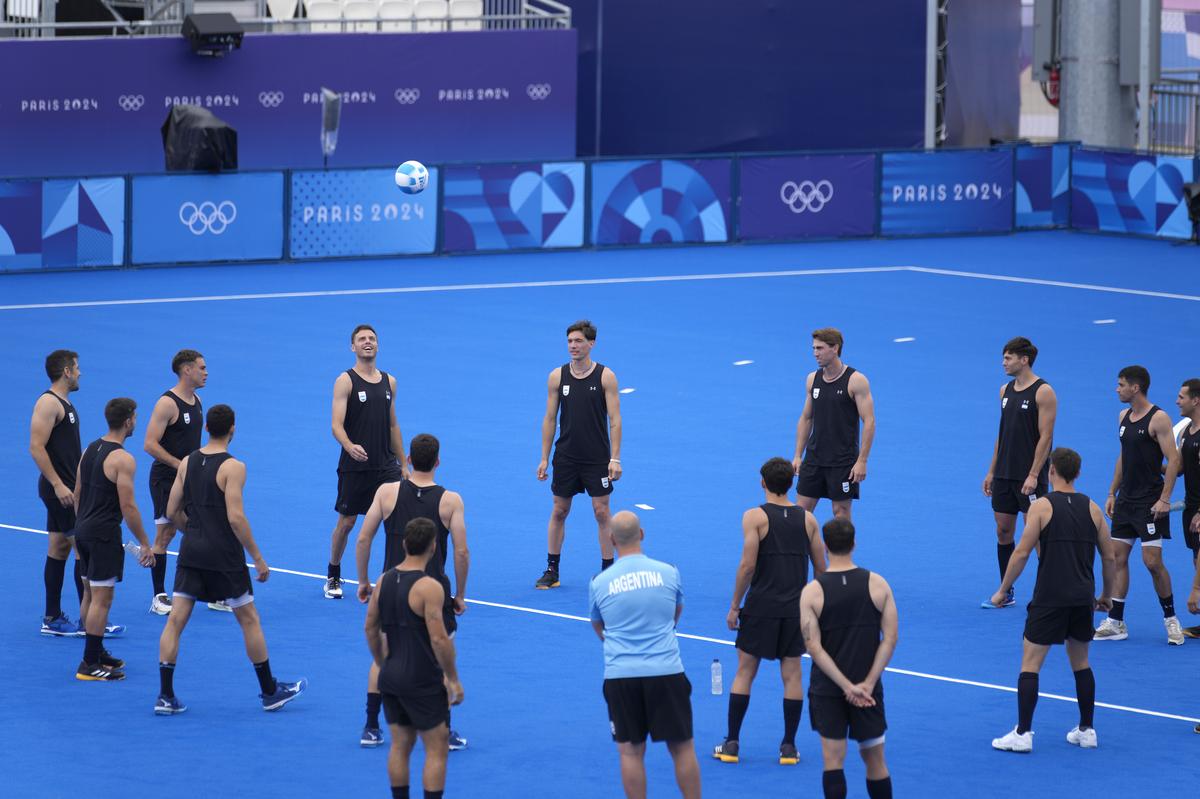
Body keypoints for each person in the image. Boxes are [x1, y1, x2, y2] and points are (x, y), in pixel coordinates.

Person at [155, 404, 307, 714]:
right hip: (224, 556)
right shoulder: (234, 467)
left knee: (176, 621)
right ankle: (268, 691)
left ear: (207, 428)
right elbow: (236, 518)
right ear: (233, 429)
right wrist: (258, 558)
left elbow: (171, 511)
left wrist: (193, 531)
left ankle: (165, 695)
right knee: (249, 619)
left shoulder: (186, 462)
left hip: (191, 552)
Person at [990, 447, 1116, 753]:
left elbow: (1021, 553)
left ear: (1051, 471)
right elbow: (1109, 556)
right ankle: (1087, 729)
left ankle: (1023, 733)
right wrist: (1105, 596)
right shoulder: (1093, 509)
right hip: (1082, 596)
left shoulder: (1042, 507)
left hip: (1049, 597)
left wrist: (1003, 588)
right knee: (1081, 663)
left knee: (1030, 664)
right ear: (1077, 474)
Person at [356, 434, 469, 750]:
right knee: (438, 655)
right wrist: (459, 594)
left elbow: (364, 539)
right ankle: (442, 729)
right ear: (437, 462)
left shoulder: (387, 492)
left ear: (407, 459)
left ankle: (370, 725)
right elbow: (461, 552)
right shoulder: (451, 501)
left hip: (391, 586)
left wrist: (365, 581)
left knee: (385, 654)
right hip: (432, 591)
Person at [714, 457, 826, 766]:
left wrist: (735, 605)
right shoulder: (808, 520)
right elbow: (821, 569)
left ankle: (732, 743)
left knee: (745, 673)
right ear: (790, 484)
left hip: (761, 608)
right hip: (794, 611)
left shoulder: (754, 517)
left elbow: (748, 565)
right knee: (792, 676)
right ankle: (788, 747)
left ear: (763, 483)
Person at [588, 511, 701, 799]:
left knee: (630, 752)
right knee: (682, 747)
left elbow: (600, 627)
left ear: (611, 540)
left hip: (622, 676)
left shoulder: (600, 582)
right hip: (667, 671)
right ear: (642, 534)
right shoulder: (669, 572)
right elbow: (675, 615)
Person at [364, 517, 464, 799]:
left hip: (391, 677)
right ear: (433, 548)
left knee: (400, 745)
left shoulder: (383, 581)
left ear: (404, 544)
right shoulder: (429, 587)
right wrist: (453, 680)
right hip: (422, 680)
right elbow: (439, 639)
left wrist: (383, 662)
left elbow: (370, 627)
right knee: (436, 748)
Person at [799, 518, 897, 799]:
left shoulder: (812, 592)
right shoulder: (878, 585)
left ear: (825, 547)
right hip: (869, 691)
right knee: (875, 761)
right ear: (854, 544)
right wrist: (866, 683)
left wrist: (845, 686)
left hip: (828, 690)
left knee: (833, 761)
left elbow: (814, 648)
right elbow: (889, 639)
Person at [1093, 366, 1184, 645]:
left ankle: (1171, 620)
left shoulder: (1159, 419)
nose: (1117, 389)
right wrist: (1111, 492)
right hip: (1125, 502)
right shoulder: (1123, 417)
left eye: (1121, 385)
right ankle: (1116, 622)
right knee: (1117, 558)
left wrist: (1165, 498)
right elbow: (1124, 457)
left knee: (1152, 563)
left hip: (1149, 502)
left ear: (1136, 388)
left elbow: (1174, 460)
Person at [535, 320, 623, 588]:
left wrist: (615, 458)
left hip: (597, 457)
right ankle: (552, 569)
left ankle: (608, 570)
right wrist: (543, 457)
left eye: (578, 341)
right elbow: (550, 419)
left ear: (591, 344)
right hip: (566, 457)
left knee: (601, 512)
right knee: (559, 511)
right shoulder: (556, 377)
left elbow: (615, 420)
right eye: (570, 341)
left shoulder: (606, 376)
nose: (573, 346)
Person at [73, 398, 155, 681]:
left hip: (82, 530)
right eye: (136, 417)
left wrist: (81, 524)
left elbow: (77, 492)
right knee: (102, 599)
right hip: (103, 535)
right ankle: (88, 664)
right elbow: (128, 507)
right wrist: (145, 542)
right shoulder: (123, 459)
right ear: (129, 420)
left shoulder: (89, 449)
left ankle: (95, 652)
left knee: (89, 593)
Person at [326, 324, 406, 599]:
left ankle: (394, 577)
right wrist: (349, 446)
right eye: (362, 339)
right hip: (355, 465)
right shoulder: (345, 381)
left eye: (372, 338)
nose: (367, 342)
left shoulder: (389, 382)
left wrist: (403, 465)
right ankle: (333, 573)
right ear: (353, 347)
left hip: (386, 465)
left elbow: (393, 425)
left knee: (397, 520)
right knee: (347, 523)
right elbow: (336, 424)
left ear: (378, 345)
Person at [981, 337, 1057, 609]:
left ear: (1024, 360)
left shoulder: (1043, 391)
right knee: (1003, 531)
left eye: (1008, 358)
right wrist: (991, 471)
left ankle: (1047, 592)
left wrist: (1034, 474)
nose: (1003, 363)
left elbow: (1046, 437)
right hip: (1003, 474)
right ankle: (1007, 591)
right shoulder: (1004, 390)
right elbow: (1002, 435)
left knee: (1036, 535)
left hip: (1029, 477)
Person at [143, 349, 207, 615]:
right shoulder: (167, 404)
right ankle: (159, 596)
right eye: (201, 368)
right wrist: (178, 464)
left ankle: (209, 591)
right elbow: (149, 444)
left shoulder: (198, 400)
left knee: (201, 530)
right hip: (165, 479)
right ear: (187, 370)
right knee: (166, 533)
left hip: (188, 479)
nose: (206, 372)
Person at [792, 328, 875, 522]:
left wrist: (862, 460)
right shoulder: (812, 379)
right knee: (800, 514)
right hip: (814, 458)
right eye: (813, 348)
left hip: (843, 462)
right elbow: (806, 418)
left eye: (820, 348)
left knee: (841, 514)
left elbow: (869, 421)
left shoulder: (856, 381)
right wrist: (797, 455)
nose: (815, 353)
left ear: (835, 348)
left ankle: (841, 553)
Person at [30, 350, 84, 635]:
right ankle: (91, 619)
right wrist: (58, 484)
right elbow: (36, 447)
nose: (79, 373)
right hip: (59, 490)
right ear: (66, 371)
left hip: (66, 487)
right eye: (76, 368)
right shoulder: (49, 403)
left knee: (59, 547)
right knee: (82, 549)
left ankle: (52, 617)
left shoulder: (64, 403)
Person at [1175, 379, 1200, 638]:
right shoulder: (1187, 432)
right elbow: (1180, 468)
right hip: (1190, 506)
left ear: (1196, 400)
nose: (1177, 401)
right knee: (1196, 560)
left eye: (1182, 397)